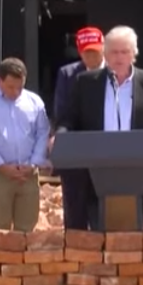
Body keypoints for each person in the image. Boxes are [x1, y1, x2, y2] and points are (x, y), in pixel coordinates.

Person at [54, 25, 143, 231]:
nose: (119, 57)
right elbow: (69, 120)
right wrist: (60, 136)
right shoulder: (85, 82)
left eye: (125, 52)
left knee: (132, 234)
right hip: (94, 170)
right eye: (114, 52)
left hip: (138, 169)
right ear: (105, 53)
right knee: (96, 229)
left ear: (134, 54)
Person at [0, 58, 49, 232]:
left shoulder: (34, 102)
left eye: (20, 87)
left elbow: (42, 133)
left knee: (27, 228)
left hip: (28, 175)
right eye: (11, 87)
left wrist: (33, 163)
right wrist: (3, 167)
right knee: (0, 227)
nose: (16, 92)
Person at [53, 27, 106, 230]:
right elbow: (62, 113)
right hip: (76, 153)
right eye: (86, 52)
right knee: (75, 213)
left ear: (103, 48)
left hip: (107, 152)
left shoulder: (115, 72)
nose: (90, 56)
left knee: (105, 213)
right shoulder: (68, 75)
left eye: (94, 51)